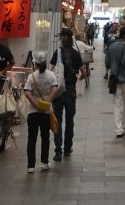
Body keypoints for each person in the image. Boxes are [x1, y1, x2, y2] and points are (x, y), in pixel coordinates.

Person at [49, 27, 83, 161]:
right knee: (70, 119)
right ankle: (68, 148)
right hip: (70, 90)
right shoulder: (75, 53)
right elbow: (84, 72)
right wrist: (79, 77)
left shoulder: (57, 53)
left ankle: (58, 150)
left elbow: (51, 71)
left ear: (62, 39)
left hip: (58, 91)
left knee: (57, 120)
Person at [24, 53, 58, 173]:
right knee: (45, 137)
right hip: (46, 113)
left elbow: (27, 93)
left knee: (31, 138)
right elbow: (54, 90)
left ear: (35, 64)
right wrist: (46, 104)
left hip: (33, 112)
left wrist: (36, 105)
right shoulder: (51, 75)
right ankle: (44, 162)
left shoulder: (31, 76)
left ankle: (31, 166)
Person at [106, 23, 125, 137]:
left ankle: (118, 129)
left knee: (116, 104)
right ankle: (123, 127)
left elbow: (107, 63)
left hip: (115, 79)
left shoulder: (111, 46)